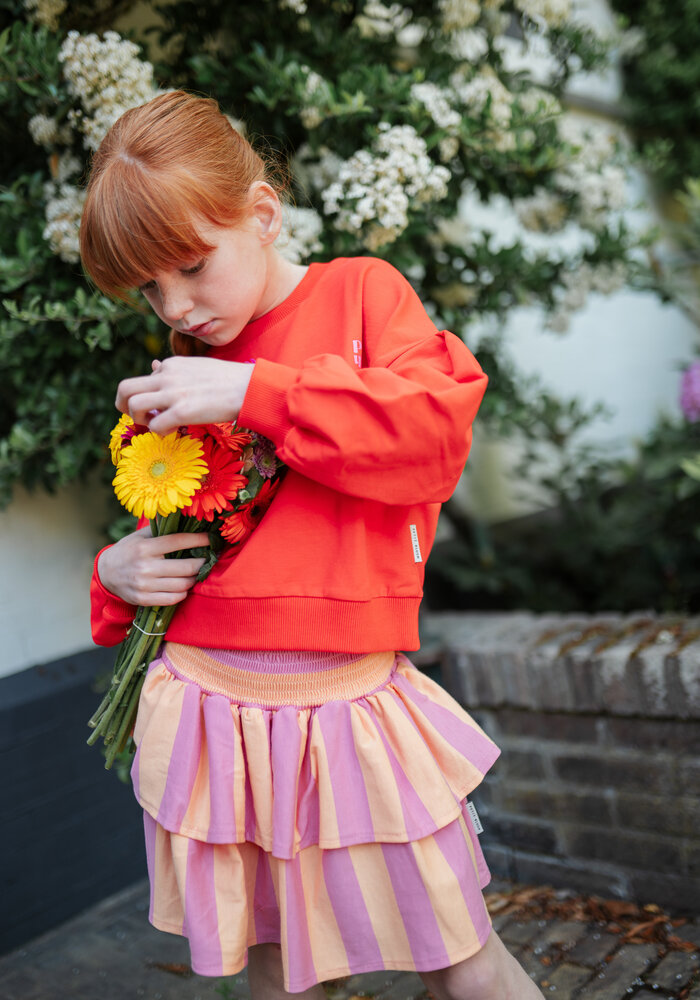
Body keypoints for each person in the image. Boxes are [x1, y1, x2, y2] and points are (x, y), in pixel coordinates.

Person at [81, 90, 544, 1000]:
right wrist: (113, 574)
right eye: (148, 287)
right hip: (211, 707)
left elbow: (431, 439)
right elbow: (179, 527)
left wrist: (256, 393)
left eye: (189, 265)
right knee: (276, 972)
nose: (176, 305)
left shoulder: (362, 294)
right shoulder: (187, 358)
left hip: (347, 708)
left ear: (261, 213)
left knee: (460, 955)